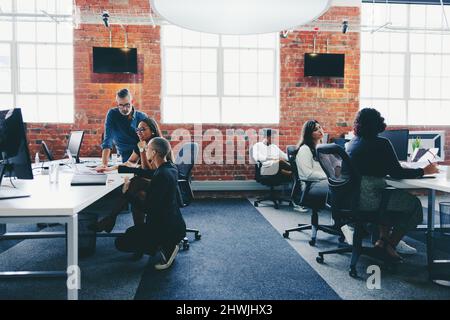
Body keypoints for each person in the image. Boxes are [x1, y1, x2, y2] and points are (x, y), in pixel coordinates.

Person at [346, 108, 439, 260]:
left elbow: (374, 167)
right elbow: (397, 173)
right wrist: (424, 171)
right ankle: (391, 244)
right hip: (371, 199)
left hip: (353, 198)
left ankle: (382, 241)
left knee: (390, 198)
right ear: (378, 123)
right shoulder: (382, 143)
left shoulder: (352, 143)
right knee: (414, 205)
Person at [93, 118, 173, 236]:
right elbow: (130, 161)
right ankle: (139, 233)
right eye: (138, 129)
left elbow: (149, 171)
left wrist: (142, 150)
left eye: (143, 129)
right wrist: (109, 168)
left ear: (152, 131)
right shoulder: (141, 143)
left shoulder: (157, 145)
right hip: (149, 182)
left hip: (160, 184)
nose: (139, 132)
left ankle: (111, 218)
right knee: (138, 194)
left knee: (136, 182)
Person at [115, 137, 186, 270]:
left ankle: (168, 247)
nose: (146, 150)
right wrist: (124, 169)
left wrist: (127, 194)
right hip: (176, 224)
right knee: (130, 233)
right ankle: (165, 243)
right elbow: (150, 172)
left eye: (148, 149)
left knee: (121, 242)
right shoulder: (170, 168)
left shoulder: (161, 176)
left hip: (166, 229)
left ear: (153, 153)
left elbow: (148, 209)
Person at [97, 88, 148, 171]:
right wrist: (104, 164)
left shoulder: (142, 117)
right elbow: (107, 140)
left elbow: (146, 143)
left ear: (132, 102)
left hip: (139, 157)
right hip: (122, 156)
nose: (124, 109)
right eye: (121, 105)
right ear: (117, 104)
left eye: (127, 105)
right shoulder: (112, 114)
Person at [295, 120, 329, 210]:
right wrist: (328, 176)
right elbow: (308, 174)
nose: (320, 130)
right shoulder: (305, 149)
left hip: (321, 182)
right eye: (315, 129)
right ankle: (340, 219)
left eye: (320, 127)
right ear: (309, 134)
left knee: (343, 184)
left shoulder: (320, 148)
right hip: (311, 185)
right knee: (342, 187)